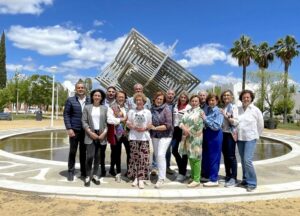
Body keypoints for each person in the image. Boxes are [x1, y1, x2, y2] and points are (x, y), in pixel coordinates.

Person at [236, 90, 263, 192]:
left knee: (247, 160)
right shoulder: (238, 109)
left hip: (250, 138)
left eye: (248, 97)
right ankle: (245, 179)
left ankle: (252, 182)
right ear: (241, 99)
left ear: (251, 98)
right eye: (244, 97)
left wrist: (256, 135)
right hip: (240, 138)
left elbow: (260, 125)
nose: (246, 99)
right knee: (243, 160)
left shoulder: (255, 110)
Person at [63, 81, 90, 181]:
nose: (80, 89)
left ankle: (83, 171)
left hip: (86, 131)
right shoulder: (70, 100)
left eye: (82, 87)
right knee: (72, 152)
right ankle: (70, 171)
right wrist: (69, 128)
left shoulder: (89, 100)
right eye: (78, 87)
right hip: (74, 130)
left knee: (83, 152)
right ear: (76, 89)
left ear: (85, 89)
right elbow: (66, 115)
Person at [82, 89, 108, 187]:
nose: (97, 97)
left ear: (101, 98)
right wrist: (90, 132)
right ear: (92, 96)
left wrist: (104, 134)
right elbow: (84, 121)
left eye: (99, 96)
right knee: (89, 156)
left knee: (98, 157)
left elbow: (107, 123)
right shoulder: (87, 108)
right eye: (95, 95)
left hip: (101, 134)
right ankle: (88, 175)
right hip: (90, 134)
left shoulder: (105, 108)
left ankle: (95, 175)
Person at [126, 92, 152, 189]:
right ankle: (135, 177)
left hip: (144, 137)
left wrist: (144, 128)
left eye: (140, 100)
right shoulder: (131, 111)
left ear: (144, 101)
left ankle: (141, 179)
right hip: (133, 136)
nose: (138, 101)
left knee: (143, 158)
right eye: (137, 100)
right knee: (134, 157)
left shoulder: (148, 112)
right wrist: (133, 126)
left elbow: (150, 124)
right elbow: (128, 123)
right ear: (135, 101)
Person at [179, 95, 204, 187]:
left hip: (196, 137)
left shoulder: (201, 112)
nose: (194, 103)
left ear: (199, 102)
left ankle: (197, 179)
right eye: (192, 101)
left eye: (196, 101)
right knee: (190, 156)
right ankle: (193, 177)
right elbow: (180, 122)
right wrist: (183, 127)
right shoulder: (187, 111)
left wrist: (187, 130)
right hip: (187, 137)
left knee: (196, 158)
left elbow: (198, 124)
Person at [150, 91, 173, 188]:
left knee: (160, 155)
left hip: (166, 135)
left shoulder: (166, 109)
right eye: (158, 99)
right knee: (157, 155)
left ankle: (161, 178)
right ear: (154, 99)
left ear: (163, 101)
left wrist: (154, 128)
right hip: (155, 135)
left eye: (161, 99)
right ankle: (159, 173)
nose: (159, 101)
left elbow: (168, 125)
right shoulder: (151, 109)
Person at [201, 93, 224, 187]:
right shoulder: (208, 110)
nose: (211, 102)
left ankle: (214, 179)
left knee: (214, 157)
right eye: (209, 100)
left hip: (215, 135)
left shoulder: (219, 111)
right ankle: (207, 175)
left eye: (213, 100)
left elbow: (216, 126)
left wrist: (205, 119)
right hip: (207, 134)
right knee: (206, 156)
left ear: (217, 101)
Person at [107, 90, 130, 182]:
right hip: (116, 134)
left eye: (122, 97)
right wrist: (121, 119)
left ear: (125, 98)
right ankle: (118, 172)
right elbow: (109, 120)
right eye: (119, 97)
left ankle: (129, 171)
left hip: (128, 134)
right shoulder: (111, 107)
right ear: (116, 98)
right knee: (116, 153)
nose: (121, 98)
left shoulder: (128, 108)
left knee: (130, 153)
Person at [220, 90, 238, 187]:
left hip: (230, 134)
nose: (226, 97)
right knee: (226, 155)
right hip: (223, 133)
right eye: (224, 95)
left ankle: (233, 178)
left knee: (231, 156)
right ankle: (228, 175)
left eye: (228, 95)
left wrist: (225, 115)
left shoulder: (233, 107)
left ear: (231, 97)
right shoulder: (224, 107)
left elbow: (235, 122)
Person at [171, 91, 191, 182]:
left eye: (184, 97)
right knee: (174, 150)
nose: (183, 99)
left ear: (187, 99)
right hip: (176, 130)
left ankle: (182, 173)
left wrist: (186, 131)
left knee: (184, 153)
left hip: (184, 130)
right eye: (181, 97)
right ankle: (182, 169)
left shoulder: (189, 107)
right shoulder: (175, 106)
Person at [165, 89, 176, 175]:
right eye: (169, 94)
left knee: (168, 150)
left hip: (172, 131)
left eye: (172, 94)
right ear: (166, 94)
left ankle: (167, 167)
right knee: (158, 150)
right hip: (162, 130)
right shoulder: (162, 103)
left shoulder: (175, 105)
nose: (170, 95)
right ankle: (155, 167)